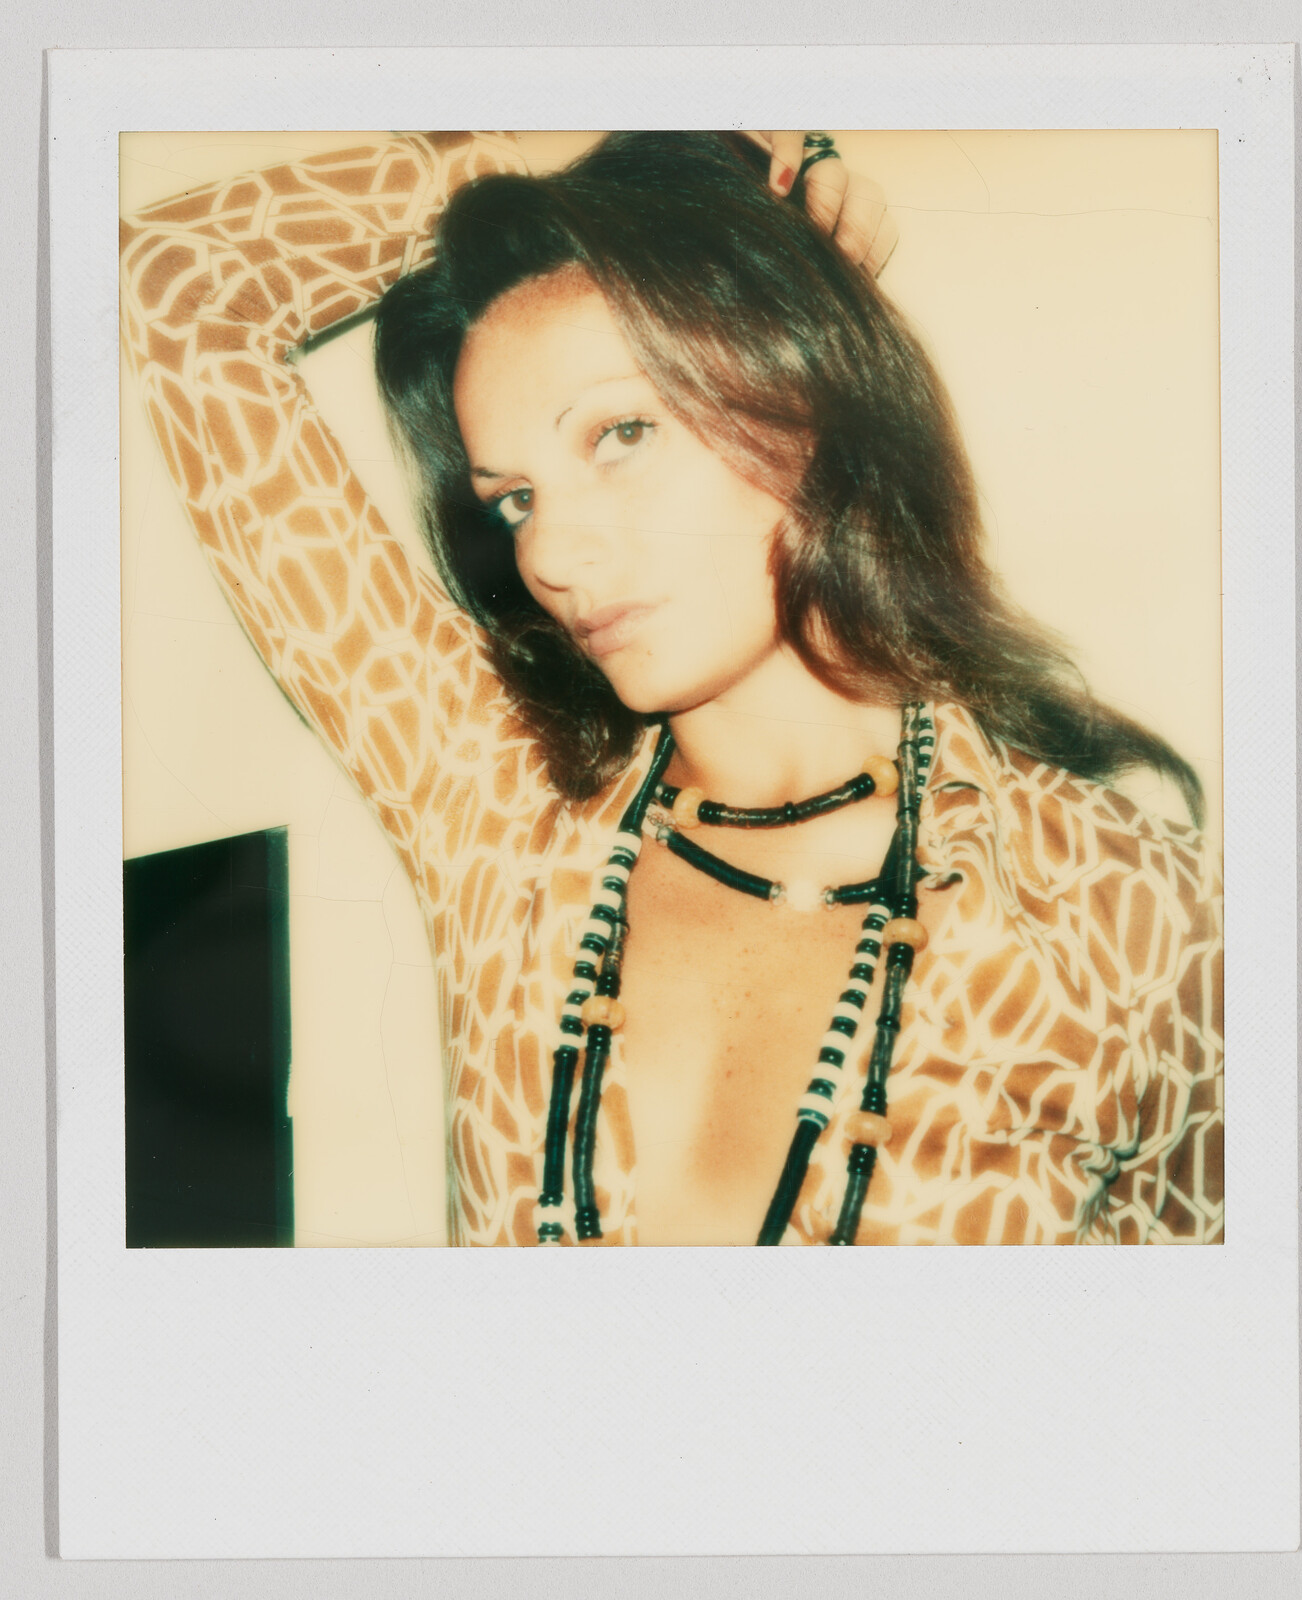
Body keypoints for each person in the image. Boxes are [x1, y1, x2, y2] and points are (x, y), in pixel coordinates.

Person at [118, 129, 1222, 1247]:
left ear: (805, 389)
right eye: (513, 498)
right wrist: (568, 146)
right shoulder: (498, 809)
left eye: (620, 433)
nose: (549, 553)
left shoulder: (1119, 916)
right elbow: (182, 286)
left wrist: (710, 205)